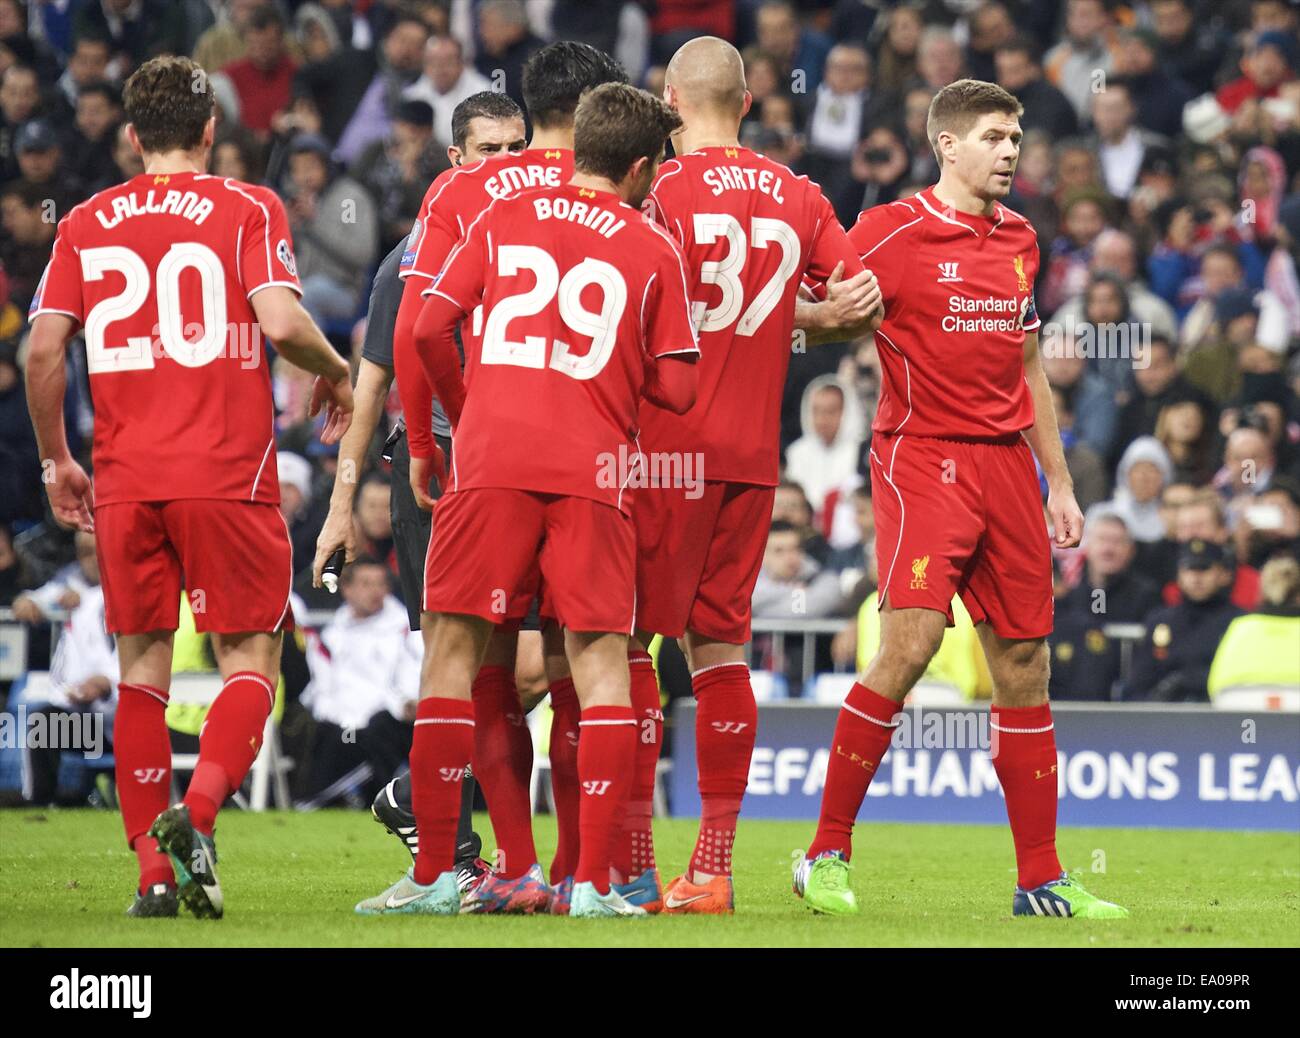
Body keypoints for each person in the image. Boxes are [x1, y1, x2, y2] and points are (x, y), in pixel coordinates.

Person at [357, 81, 697, 920]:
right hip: (592, 470)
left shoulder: (499, 219)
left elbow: (427, 328)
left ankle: (439, 873)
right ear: (644, 167)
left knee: (455, 657)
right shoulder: (653, 248)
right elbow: (682, 392)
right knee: (597, 663)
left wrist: (455, 430)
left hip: (490, 462)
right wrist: (624, 367)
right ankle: (590, 886)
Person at [24, 55, 354, 920]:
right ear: (212, 131)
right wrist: (343, 370)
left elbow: (42, 351)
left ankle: (153, 879)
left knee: (142, 672)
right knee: (253, 660)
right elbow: (282, 322)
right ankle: (196, 812)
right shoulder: (247, 205)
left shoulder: (86, 221)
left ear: (132, 138)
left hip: (127, 482)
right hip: (225, 474)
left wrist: (59, 458)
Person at [793, 79, 1128, 920]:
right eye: (992, 136)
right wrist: (830, 318)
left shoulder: (1020, 238)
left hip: (1009, 468)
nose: (1010, 151)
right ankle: (824, 854)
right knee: (908, 647)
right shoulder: (890, 230)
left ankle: (1041, 880)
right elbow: (808, 310)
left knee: (1024, 666)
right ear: (947, 144)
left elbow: (1027, 368)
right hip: (921, 460)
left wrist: (1060, 481)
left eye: (1015, 137)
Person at [632, 35, 881, 914]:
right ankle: (711, 868)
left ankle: (623, 864)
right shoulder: (798, 191)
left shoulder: (653, 191)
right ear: (745, 103)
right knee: (721, 652)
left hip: (658, 451)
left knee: (625, 649)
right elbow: (862, 303)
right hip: (749, 464)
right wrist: (801, 317)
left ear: (668, 103)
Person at [312, 89, 528, 893]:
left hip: (514, 470)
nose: (505, 166)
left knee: (524, 664)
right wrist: (340, 508)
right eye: (489, 151)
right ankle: (453, 857)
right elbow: (369, 392)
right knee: (460, 662)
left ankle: (420, 798)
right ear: (456, 159)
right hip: (429, 472)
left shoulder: (543, 245)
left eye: (518, 149)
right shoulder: (411, 257)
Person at [298, 558, 421, 807]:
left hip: (390, 719)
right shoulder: (333, 633)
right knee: (316, 731)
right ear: (347, 589)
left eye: (380, 584)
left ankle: (387, 799)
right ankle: (324, 800)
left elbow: (411, 677)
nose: (374, 591)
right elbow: (323, 686)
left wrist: (404, 703)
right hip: (340, 719)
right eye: (365, 584)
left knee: (372, 731)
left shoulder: (405, 629)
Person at [1119, 540, 1242, 702]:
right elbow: (1138, 684)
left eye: (1204, 569)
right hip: (1165, 716)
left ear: (1224, 575)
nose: (1196, 578)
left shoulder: (1239, 624)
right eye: (1190, 569)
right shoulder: (1160, 621)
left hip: (1216, 713)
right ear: (1179, 574)